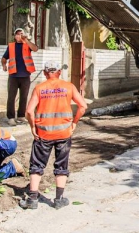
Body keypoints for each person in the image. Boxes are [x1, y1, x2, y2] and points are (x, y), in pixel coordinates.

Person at [19, 61, 88, 210]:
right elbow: (83, 106)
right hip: (64, 133)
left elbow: (29, 111)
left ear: (44, 73)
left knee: (37, 165)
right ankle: (59, 199)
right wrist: (74, 123)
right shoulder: (69, 87)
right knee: (61, 165)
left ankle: (32, 199)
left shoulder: (39, 88)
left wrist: (33, 127)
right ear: (59, 72)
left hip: (43, 133)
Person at [1, 28, 39, 126]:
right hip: (13, 76)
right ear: (14, 36)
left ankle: (21, 116)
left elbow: (35, 49)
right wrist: (4, 65)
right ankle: (11, 117)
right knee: (11, 97)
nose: (19, 36)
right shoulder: (11, 46)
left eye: (21, 34)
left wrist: (26, 40)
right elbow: (4, 57)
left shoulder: (27, 45)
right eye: (17, 34)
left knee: (24, 97)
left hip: (25, 75)